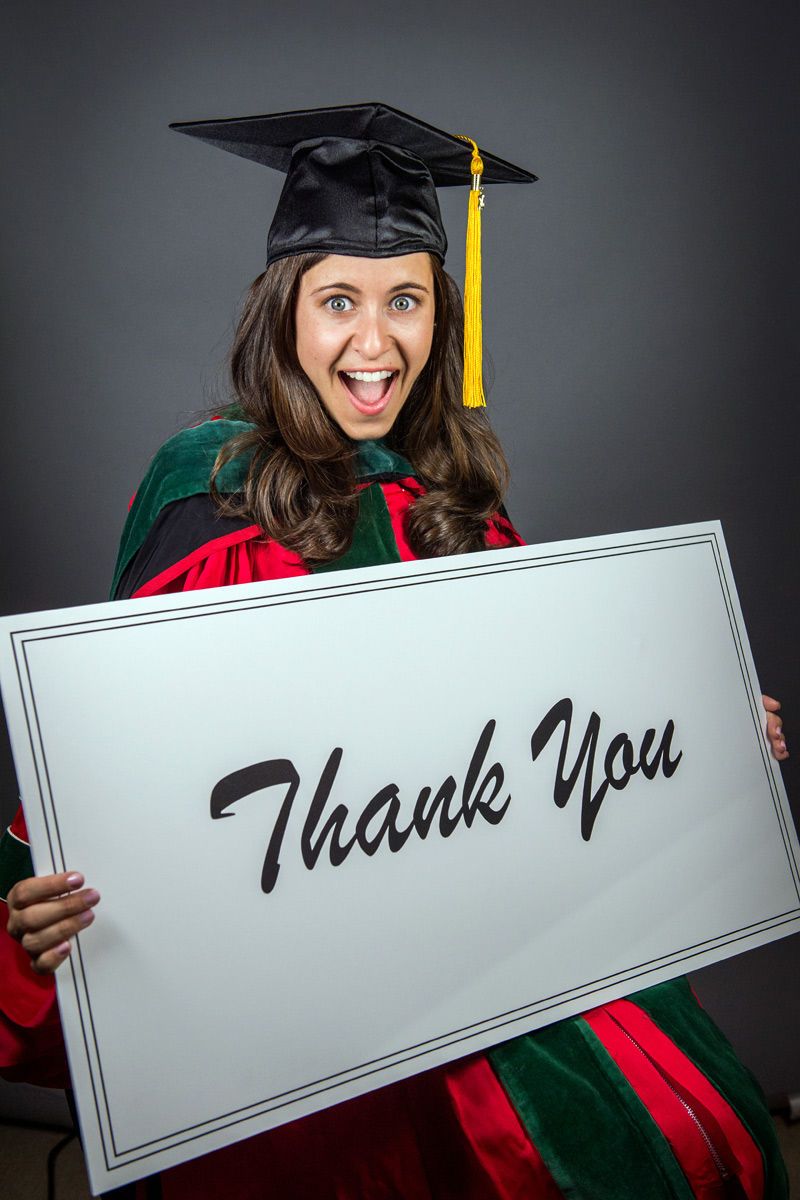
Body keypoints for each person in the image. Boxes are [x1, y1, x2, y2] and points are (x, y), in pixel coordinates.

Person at [0, 104, 791, 1199]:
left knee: (691, 1143)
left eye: (405, 300)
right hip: (298, 1002)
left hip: (486, 948)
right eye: (338, 302)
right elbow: (134, 771)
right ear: (282, 315)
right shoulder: (210, 490)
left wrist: (695, 733)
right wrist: (52, 899)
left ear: (438, 315)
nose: (375, 345)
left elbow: (542, 734)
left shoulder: (454, 496)